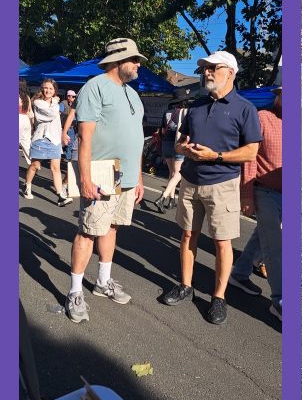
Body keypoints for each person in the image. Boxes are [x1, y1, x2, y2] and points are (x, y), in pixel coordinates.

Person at [153, 51, 262, 324]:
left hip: (222, 184)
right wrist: (184, 149)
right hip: (190, 182)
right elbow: (180, 143)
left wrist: (216, 156)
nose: (207, 73)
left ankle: (218, 298)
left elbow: (251, 152)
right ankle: (186, 286)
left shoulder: (245, 108)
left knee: (221, 243)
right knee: (188, 235)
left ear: (231, 73)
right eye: (205, 69)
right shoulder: (196, 106)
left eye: (213, 68)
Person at [65, 37, 149, 326]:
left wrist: (138, 178)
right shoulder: (95, 87)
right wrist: (84, 179)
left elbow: (135, 140)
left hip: (126, 176)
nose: (138, 65)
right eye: (134, 59)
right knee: (88, 231)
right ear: (117, 61)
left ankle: (103, 281)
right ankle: (75, 292)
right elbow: (84, 137)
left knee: (111, 228)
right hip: (102, 174)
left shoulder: (133, 95)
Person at [233, 97, 285, 300]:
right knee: (275, 247)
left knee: (261, 236)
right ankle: (280, 299)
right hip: (266, 192)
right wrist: (246, 195)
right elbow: (250, 157)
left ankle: (239, 273)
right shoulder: (262, 118)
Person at [23, 76, 68, 201]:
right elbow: (52, 114)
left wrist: (62, 135)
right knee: (35, 165)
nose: (47, 91)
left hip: (54, 140)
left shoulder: (55, 104)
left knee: (56, 168)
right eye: (45, 88)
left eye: (50, 89)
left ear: (55, 91)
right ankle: (27, 186)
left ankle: (60, 196)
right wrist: (55, 103)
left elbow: (57, 121)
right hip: (41, 139)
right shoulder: (38, 102)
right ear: (42, 89)